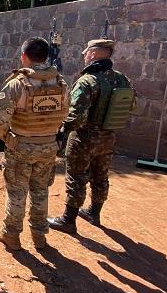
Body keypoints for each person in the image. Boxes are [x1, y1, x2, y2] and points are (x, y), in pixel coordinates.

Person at [48, 39, 135, 234]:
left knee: (76, 177)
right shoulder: (121, 79)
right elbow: (131, 105)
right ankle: (94, 213)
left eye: (87, 52)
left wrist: (62, 131)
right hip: (108, 136)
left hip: (85, 138)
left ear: (94, 54)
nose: (85, 55)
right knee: (100, 175)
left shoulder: (87, 80)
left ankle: (68, 220)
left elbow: (76, 115)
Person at [0, 37, 69, 250]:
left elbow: (1, 119)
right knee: (40, 190)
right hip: (48, 148)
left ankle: (11, 235)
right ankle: (39, 236)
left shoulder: (17, 84)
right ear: (45, 56)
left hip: (20, 147)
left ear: (24, 56)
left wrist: (7, 138)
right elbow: (65, 114)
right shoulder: (61, 83)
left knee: (17, 192)